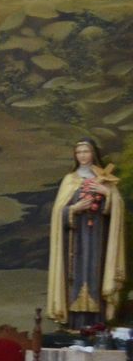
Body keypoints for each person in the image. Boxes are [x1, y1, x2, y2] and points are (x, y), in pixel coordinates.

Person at [47, 136, 125, 327]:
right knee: (76, 276)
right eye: (79, 152)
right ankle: (73, 324)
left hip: (99, 237)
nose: (82, 156)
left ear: (93, 154)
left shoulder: (105, 180)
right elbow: (58, 212)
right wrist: (74, 209)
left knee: (95, 274)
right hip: (74, 240)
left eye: (86, 151)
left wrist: (107, 194)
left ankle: (97, 325)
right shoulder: (70, 180)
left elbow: (118, 209)